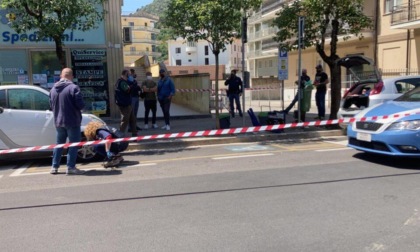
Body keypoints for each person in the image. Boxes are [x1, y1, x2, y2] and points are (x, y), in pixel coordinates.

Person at [49, 68, 86, 175]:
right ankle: (70, 167)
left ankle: (54, 167)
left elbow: (51, 106)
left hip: (58, 122)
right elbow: (80, 104)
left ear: (61, 75)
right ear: (71, 76)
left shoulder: (53, 89)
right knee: (73, 145)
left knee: (59, 144)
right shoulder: (73, 88)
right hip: (72, 121)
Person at [115, 69, 138, 136]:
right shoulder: (122, 82)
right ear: (125, 74)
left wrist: (133, 83)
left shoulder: (124, 81)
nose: (129, 75)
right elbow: (127, 90)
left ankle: (134, 134)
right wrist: (133, 86)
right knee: (125, 120)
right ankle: (119, 135)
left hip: (127, 103)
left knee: (132, 119)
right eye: (128, 74)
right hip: (124, 104)